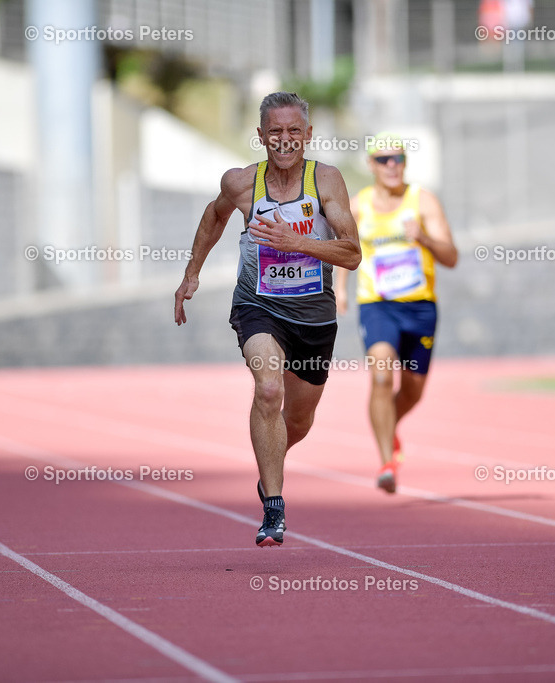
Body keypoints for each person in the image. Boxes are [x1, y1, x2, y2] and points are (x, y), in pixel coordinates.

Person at [174, 92, 361, 546]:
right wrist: (191, 275)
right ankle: (273, 507)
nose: (284, 140)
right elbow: (213, 219)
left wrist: (297, 243)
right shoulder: (241, 183)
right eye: (275, 131)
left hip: (314, 315)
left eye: (293, 131)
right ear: (260, 136)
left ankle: (269, 465)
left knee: (298, 421)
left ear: (308, 135)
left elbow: (352, 254)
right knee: (268, 388)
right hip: (258, 305)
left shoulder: (327, 181)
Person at [334, 135, 457, 494]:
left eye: (398, 158)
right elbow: (346, 250)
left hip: (420, 308)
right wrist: (341, 288)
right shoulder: (358, 206)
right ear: (371, 164)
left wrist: (425, 240)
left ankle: (389, 426)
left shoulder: (422, 201)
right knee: (382, 377)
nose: (392, 165)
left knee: (413, 391)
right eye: (383, 159)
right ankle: (387, 462)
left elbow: (451, 257)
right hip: (378, 305)